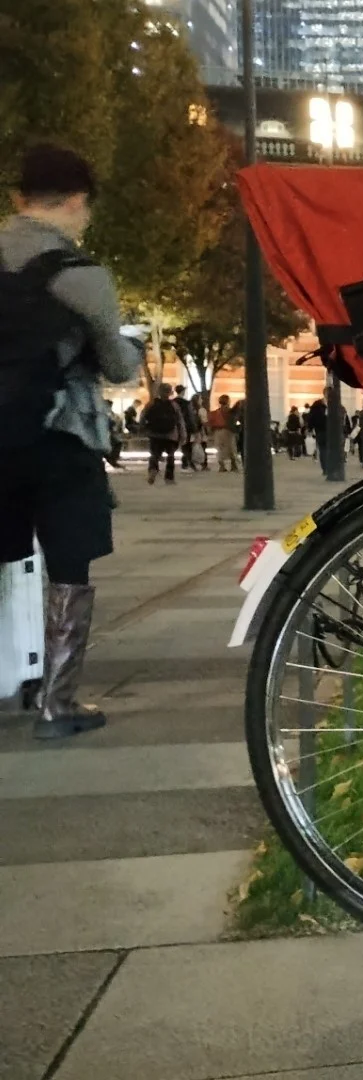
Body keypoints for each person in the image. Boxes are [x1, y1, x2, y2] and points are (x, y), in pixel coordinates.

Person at [0, 144, 142, 738]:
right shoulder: (80, 276)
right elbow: (118, 368)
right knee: (68, 563)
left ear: (17, 198)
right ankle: (57, 705)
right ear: (79, 203)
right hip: (57, 436)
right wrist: (129, 344)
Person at [141, 384, 183, 484]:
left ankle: (152, 470)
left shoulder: (151, 404)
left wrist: (144, 429)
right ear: (170, 392)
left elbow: (143, 417)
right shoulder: (174, 405)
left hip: (154, 434)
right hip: (170, 435)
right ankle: (169, 478)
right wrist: (182, 434)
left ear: (159, 392)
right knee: (171, 456)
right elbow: (180, 421)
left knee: (154, 454)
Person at [207, 394, 236, 472]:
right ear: (228, 401)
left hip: (217, 431)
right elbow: (233, 421)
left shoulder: (216, 412)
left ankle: (222, 466)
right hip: (228, 431)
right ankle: (233, 465)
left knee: (219, 449)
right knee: (231, 448)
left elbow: (210, 423)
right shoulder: (230, 411)